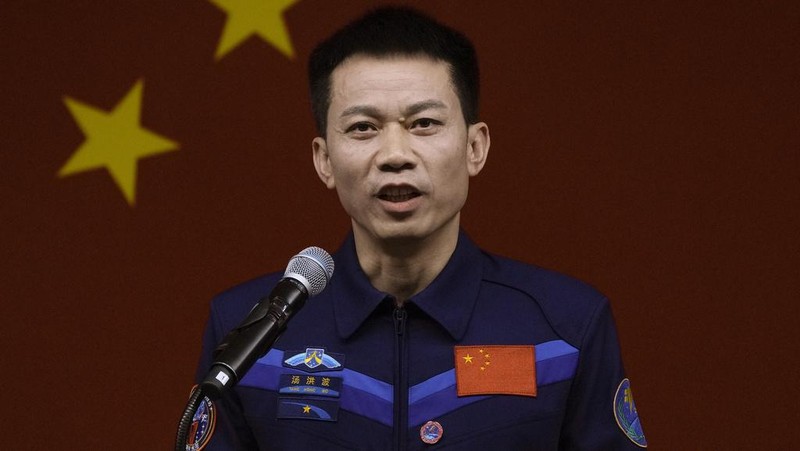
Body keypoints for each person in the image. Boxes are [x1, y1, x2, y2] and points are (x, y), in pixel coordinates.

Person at [195, 6, 646, 450]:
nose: (395, 154)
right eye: (363, 127)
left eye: (424, 123)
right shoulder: (249, 335)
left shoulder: (566, 329)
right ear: (324, 159)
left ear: (475, 147)